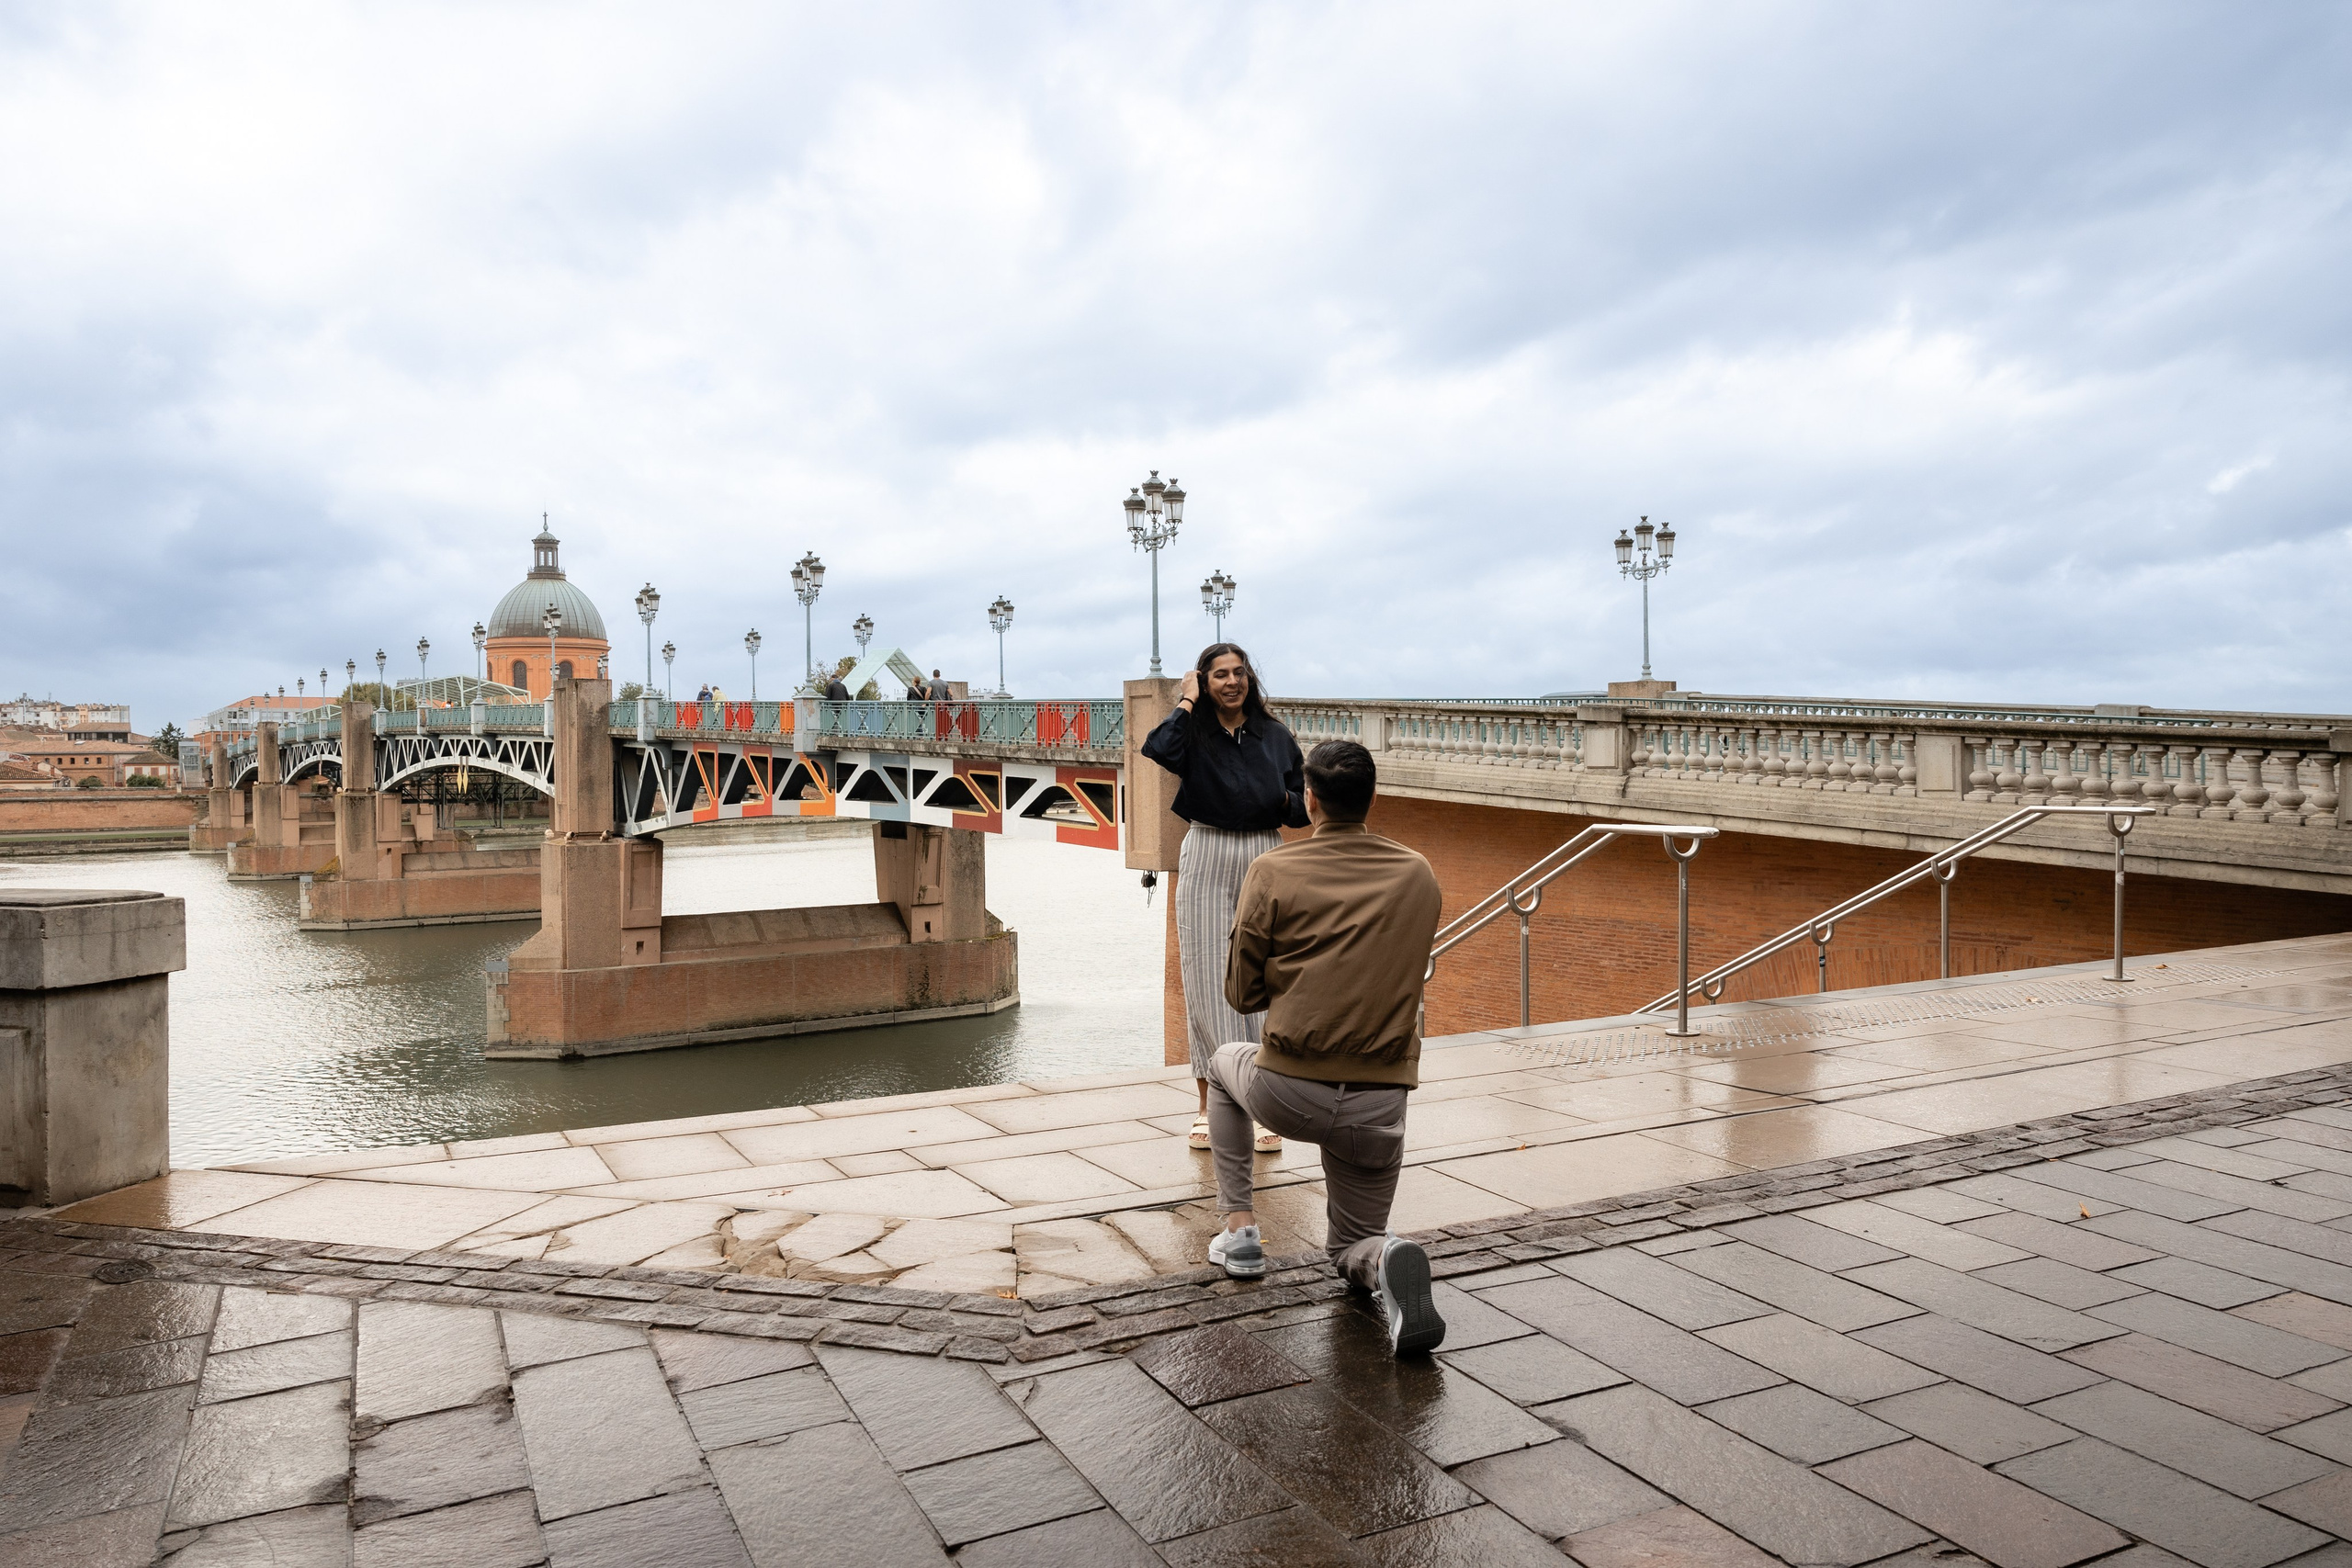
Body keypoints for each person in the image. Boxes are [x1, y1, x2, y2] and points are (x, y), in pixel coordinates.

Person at [1203, 738, 1446, 1354]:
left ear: (1309, 799)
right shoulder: (1418, 872)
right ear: (1371, 798)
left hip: (1290, 1089)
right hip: (1380, 1100)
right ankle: (1384, 1256)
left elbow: (1240, 992)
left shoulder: (1274, 870)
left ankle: (1240, 1232)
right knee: (1349, 1246)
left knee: (1222, 1062)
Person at [1140, 643, 1308, 1154]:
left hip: (1264, 852)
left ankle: (1263, 1103)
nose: (1231, 682)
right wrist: (1186, 701)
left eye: (1238, 673)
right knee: (1206, 977)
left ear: (1249, 678)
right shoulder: (1190, 730)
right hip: (1208, 847)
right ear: (1205, 682)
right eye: (1219, 675)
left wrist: (1277, 799)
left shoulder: (1276, 736)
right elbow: (1158, 751)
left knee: (1265, 976)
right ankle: (1208, 1102)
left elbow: (1302, 805)